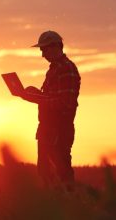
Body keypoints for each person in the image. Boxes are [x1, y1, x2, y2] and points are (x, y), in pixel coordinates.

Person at [19, 30, 80, 187]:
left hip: (58, 130)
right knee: (46, 174)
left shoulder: (66, 69)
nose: (42, 54)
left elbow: (64, 103)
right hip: (47, 129)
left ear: (55, 47)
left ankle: (69, 205)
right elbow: (51, 98)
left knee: (61, 174)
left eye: (44, 49)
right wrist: (35, 94)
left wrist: (33, 97)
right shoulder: (55, 69)